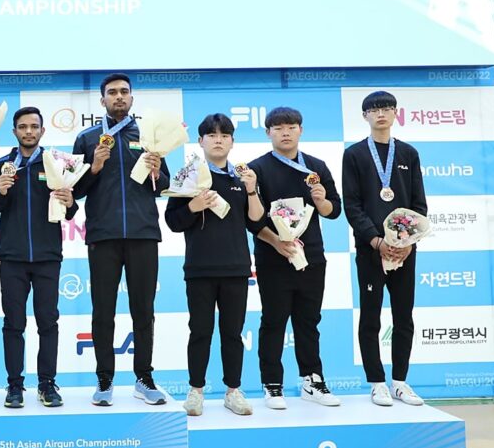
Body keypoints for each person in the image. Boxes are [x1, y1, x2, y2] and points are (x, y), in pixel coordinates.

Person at [71, 73, 170, 406]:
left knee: (143, 310)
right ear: (102, 100)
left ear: (131, 98)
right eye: (112, 92)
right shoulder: (87, 139)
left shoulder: (149, 136)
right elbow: (74, 190)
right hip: (103, 235)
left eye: (124, 92)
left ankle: (144, 378)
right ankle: (104, 380)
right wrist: (94, 167)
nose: (118, 97)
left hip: (143, 234)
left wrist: (157, 171)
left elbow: (165, 185)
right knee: (103, 311)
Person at [165, 114, 264, 416]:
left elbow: (256, 221)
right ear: (200, 141)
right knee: (200, 331)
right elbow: (173, 222)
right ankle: (195, 391)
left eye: (224, 135)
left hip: (236, 268)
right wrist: (193, 206)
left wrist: (251, 190)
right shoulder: (188, 175)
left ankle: (233, 391)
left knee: (233, 333)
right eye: (211, 135)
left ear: (232, 141)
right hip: (200, 268)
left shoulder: (243, 177)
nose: (218, 140)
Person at [249, 107, 342, 409]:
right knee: (273, 321)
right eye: (278, 128)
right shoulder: (257, 169)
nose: (285, 133)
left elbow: (334, 210)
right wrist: (276, 242)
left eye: (290, 127)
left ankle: (312, 380)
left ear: (300, 130)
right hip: (273, 257)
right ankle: (272, 384)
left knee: (308, 321)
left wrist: (321, 201)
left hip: (311, 256)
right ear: (268, 133)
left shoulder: (315, 167)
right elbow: (251, 219)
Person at [0, 107, 76, 408]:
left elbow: (71, 211)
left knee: (48, 323)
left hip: (48, 257)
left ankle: (47, 384)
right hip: (12, 257)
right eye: (23, 127)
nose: (28, 131)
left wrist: (70, 201)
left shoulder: (56, 164)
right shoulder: (1, 166)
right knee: (13, 324)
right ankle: (14, 386)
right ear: (14, 131)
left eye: (34, 127)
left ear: (42, 131)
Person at [343, 91, 428, 407]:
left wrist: (408, 242)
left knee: (404, 316)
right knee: (371, 317)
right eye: (374, 109)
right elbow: (352, 206)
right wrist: (376, 241)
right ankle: (377, 383)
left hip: (405, 250)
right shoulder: (354, 154)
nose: (381, 113)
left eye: (387, 108)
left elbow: (419, 204)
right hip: (371, 250)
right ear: (365, 115)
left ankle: (401, 382)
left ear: (395, 113)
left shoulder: (408, 153)